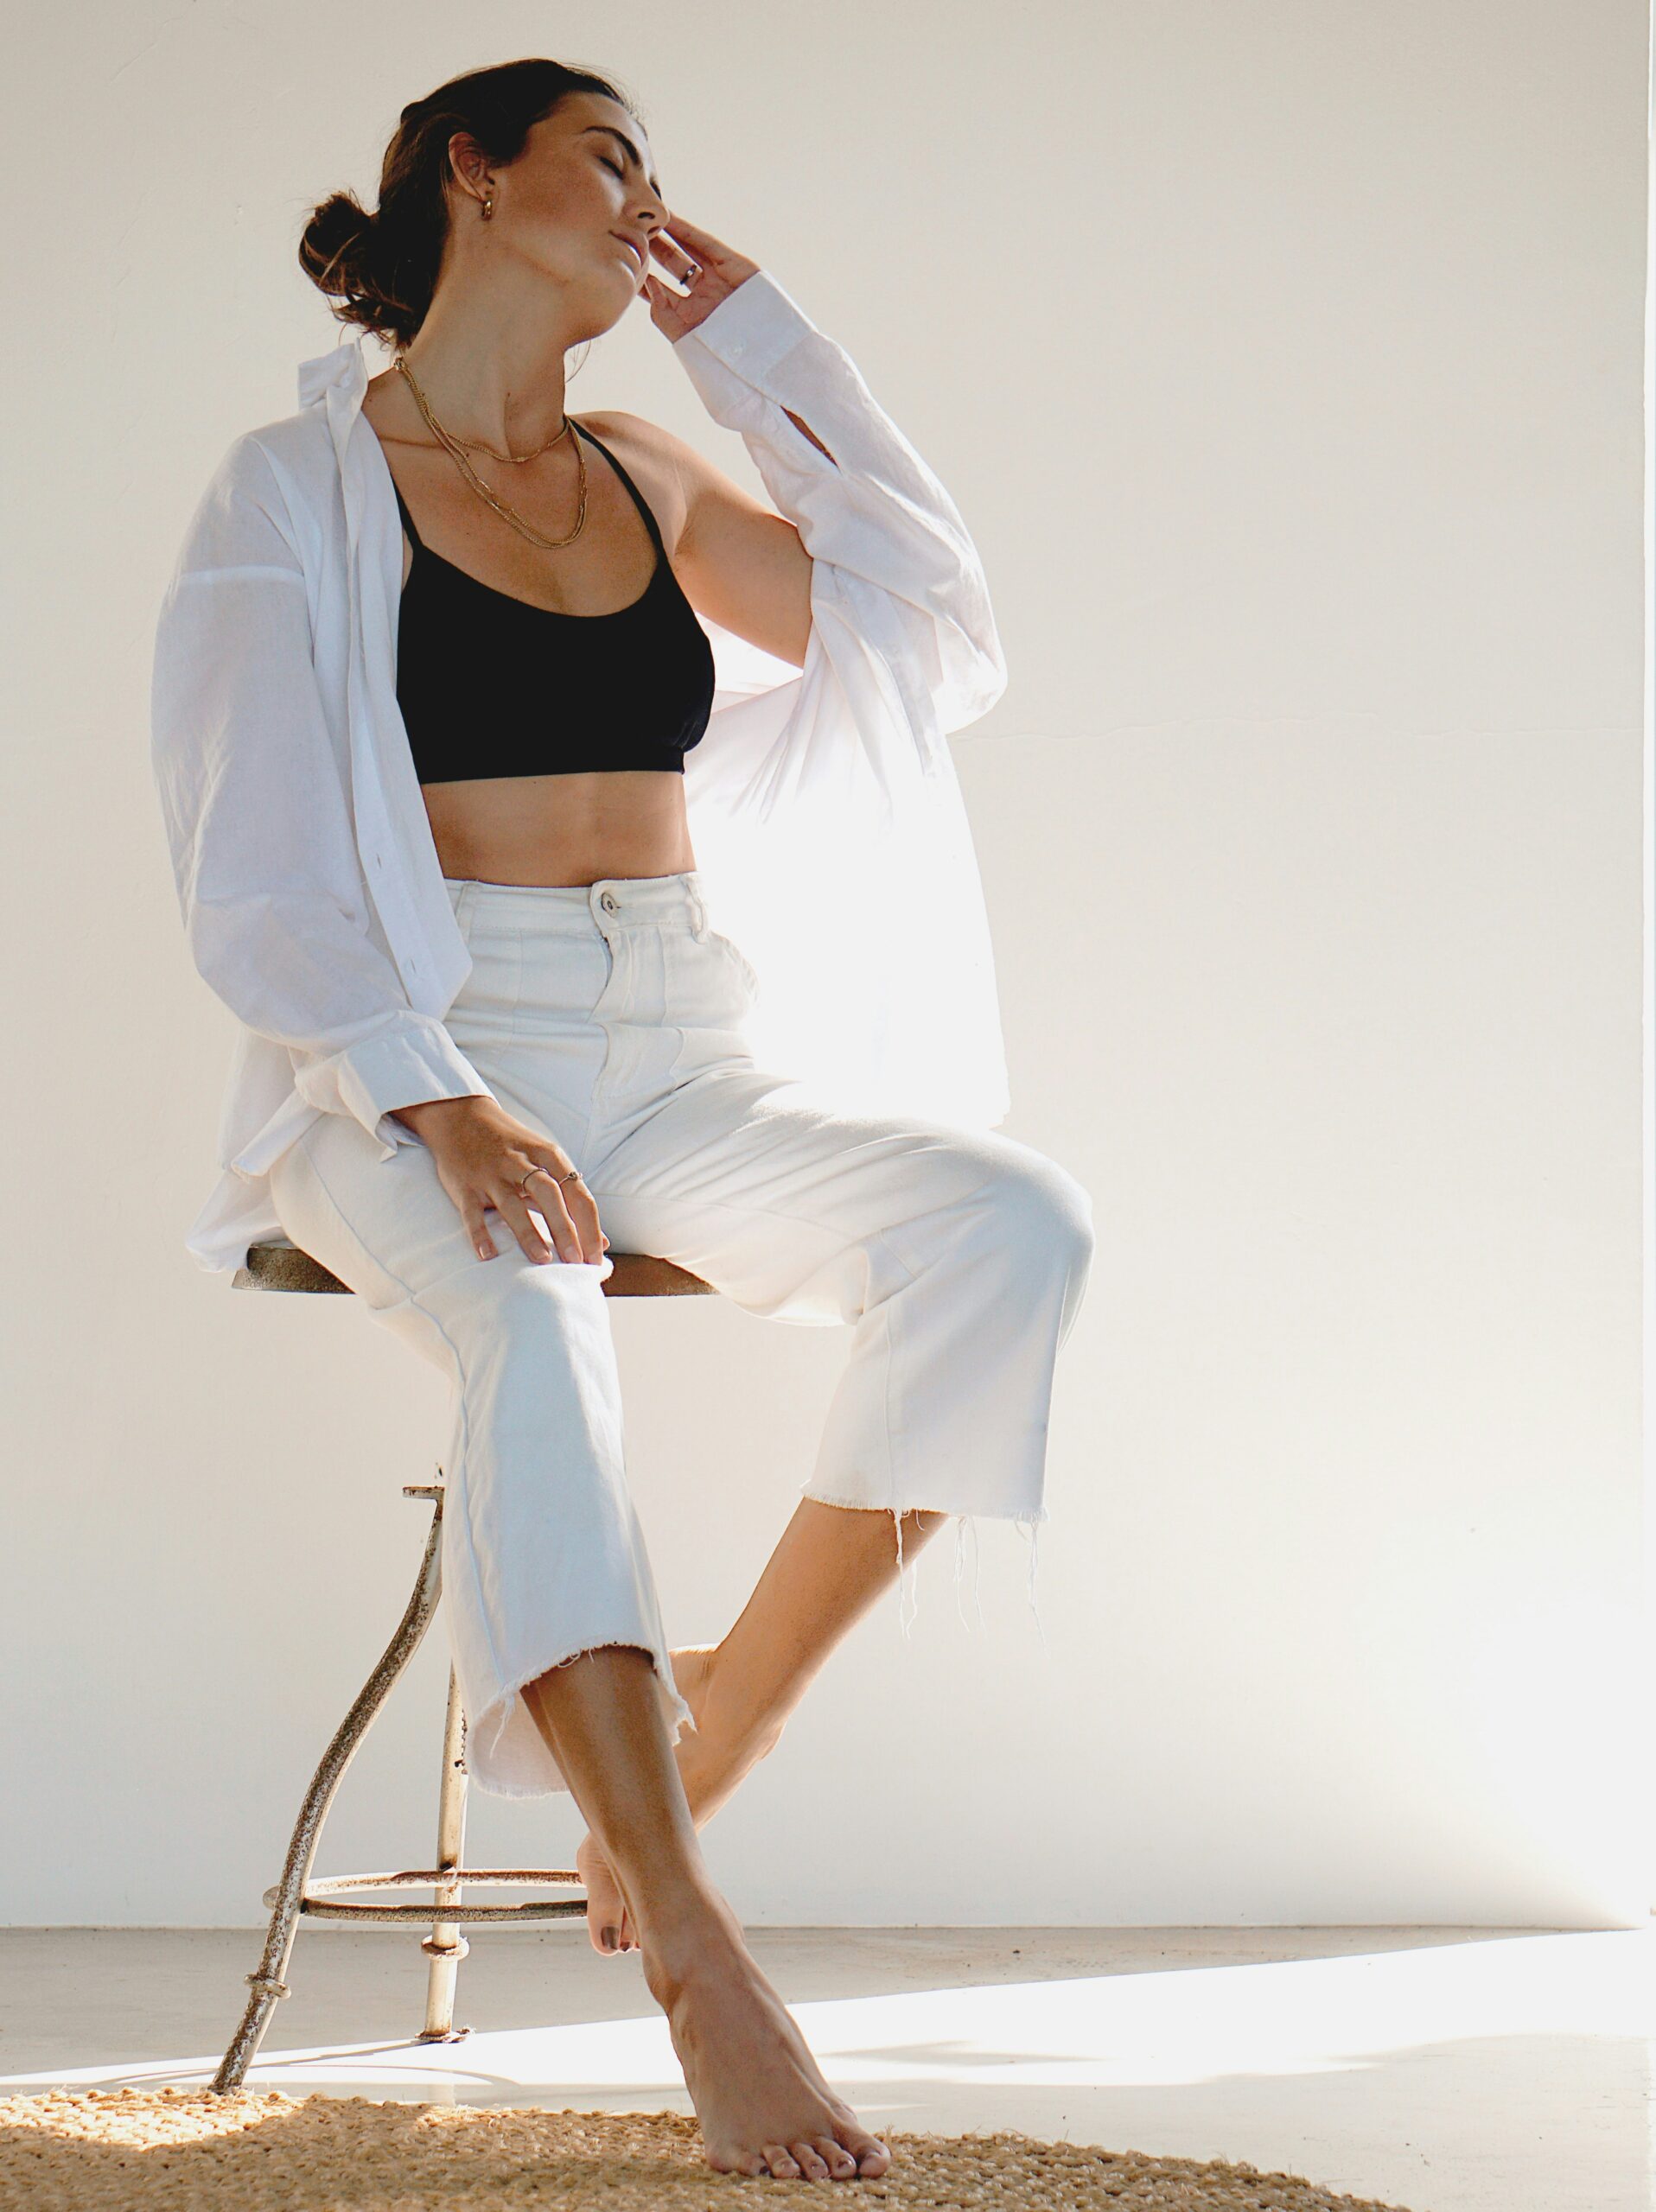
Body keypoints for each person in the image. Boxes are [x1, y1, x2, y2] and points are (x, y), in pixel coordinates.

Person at [150, 56, 1095, 2184]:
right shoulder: (292, 490)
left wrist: (761, 349)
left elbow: (934, 639)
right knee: (536, 1308)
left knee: (1011, 1229)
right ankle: (690, 1940)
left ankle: (725, 1701)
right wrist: (440, 1094)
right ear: (473, 176)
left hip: (676, 1039)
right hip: (406, 1046)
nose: (648, 201)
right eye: (611, 159)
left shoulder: (648, 468)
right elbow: (256, 859)